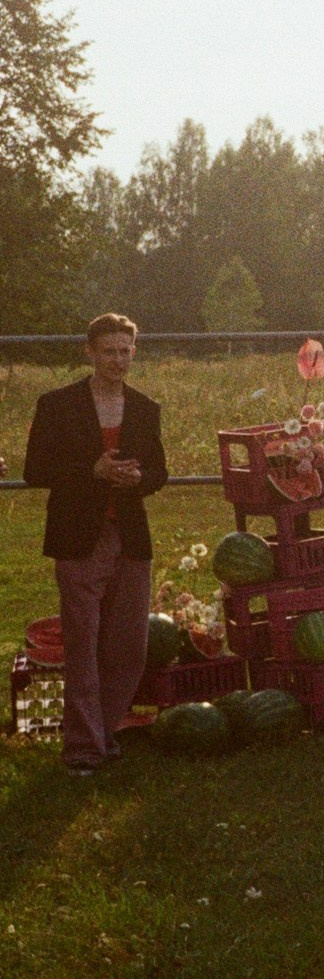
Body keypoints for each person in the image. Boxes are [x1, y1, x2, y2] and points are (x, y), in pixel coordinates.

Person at [23, 312, 169, 777]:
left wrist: (139, 478)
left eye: (126, 351)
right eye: (109, 351)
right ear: (89, 352)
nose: (118, 360)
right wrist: (93, 470)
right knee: (83, 646)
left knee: (129, 648)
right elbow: (35, 470)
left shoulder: (145, 407)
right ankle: (84, 750)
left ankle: (103, 733)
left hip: (131, 537)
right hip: (78, 537)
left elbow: (159, 471)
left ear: (134, 352)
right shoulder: (57, 404)